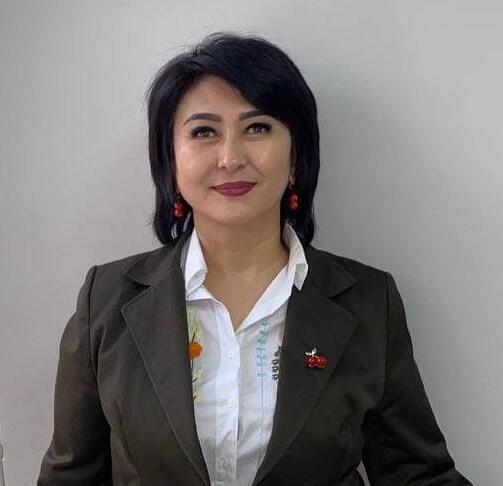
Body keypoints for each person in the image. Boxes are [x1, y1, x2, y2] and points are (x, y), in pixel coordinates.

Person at [37, 31, 472, 486]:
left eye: (258, 128)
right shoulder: (106, 302)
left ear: (296, 155)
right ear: (170, 159)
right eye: (204, 132)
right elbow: (70, 478)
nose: (230, 158)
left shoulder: (367, 302)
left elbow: (417, 474)